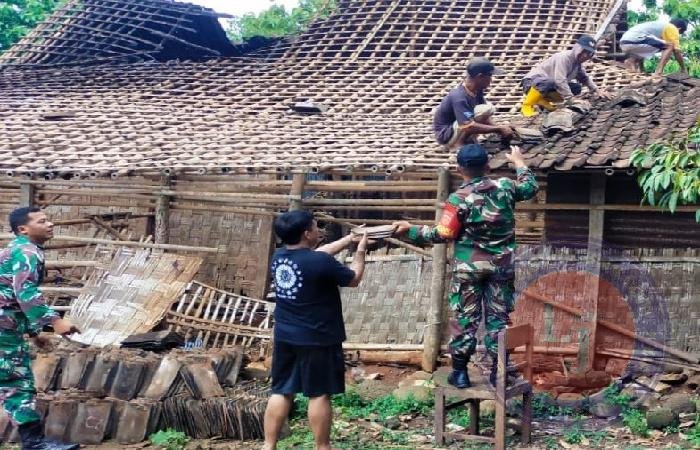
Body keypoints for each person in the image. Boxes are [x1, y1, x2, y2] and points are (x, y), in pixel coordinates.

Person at [393, 144, 538, 388]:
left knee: (465, 318)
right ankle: (500, 373)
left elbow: (443, 233)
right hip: (501, 268)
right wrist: (518, 161)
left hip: (469, 270)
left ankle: (460, 373)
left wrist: (412, 230)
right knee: (498, 319)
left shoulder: (459, 199)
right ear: (488, 166)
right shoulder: (505, 187)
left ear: (459, 169)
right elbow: (530, 187)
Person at [262, 211, 368, 450]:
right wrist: (360, 250)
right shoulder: (319, 262)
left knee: (282, 391)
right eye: (315, 227)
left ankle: (268, 446)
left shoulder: (279, 256)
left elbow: (320, 254)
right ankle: (322, 447)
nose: (318, 230)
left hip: (286, 335)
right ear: (306, 233)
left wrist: (348, 239)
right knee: (319, 393)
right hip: (318, 337)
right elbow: (353, 279)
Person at [0, 207, 80, 450]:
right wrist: (56, 322)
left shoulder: (18, 249)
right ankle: (34, 443)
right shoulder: (27, 252)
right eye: (42, 221)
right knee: (17, 382)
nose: (50, 224)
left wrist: (34, 334)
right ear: (23, 229)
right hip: (4, 331)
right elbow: (24, 294)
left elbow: (9, 297)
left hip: (7, 326)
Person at [433, 57, 516, 149]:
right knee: (486, 109)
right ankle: (459, 144)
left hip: (459, 127)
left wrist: (500, 129)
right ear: (480, 77)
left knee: (485, 108)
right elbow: (467, 126)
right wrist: (498, 129)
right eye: (489, 76)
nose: (491, 80)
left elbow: (484, 117)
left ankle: (468, 139)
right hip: (447, 135)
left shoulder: (477, 89)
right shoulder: (459, 96)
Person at [521, 35, 612, 116]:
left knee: (576, 88)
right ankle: (527, 106)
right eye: (584, 51)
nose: (585, 55)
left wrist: (597, 90)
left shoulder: (577, 64)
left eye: (589, 53)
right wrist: (571, 99)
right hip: (531, 83)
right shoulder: (564, 58)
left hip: (547, 87)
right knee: (549, 82)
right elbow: (560, 80)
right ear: (578, 49)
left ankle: (542, 101)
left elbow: (584, 78)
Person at [620, 18, 688, 75]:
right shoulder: (672, 28)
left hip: (624, 43)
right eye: (680, 33)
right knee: (670, 46)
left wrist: (642, 69)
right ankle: (658, 71)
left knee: (658, 45)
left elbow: (647, 47)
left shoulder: (658, 26)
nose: (678, 35)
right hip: (635, 40)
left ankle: (632, 62)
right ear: (679, 29)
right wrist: (683, 68)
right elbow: (677, 51)